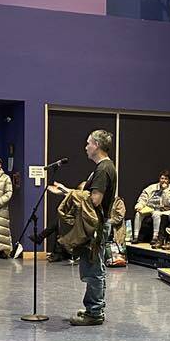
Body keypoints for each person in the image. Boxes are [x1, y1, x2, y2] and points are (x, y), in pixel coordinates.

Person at [48, 129, 116, 326]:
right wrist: (66, 191)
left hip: (96, 227)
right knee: (94, 267)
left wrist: (70, 195)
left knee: (94, 269)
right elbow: (85, 195)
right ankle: (93, 308)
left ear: (96, 145)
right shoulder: (102, 168)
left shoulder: (103, 169)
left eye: (88, 143)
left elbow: (95, 200)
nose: (85, 147)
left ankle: (94, 313)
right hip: (97, 225)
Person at [133, 171, 170, 244]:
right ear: (159, 179)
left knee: (156, 214)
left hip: (160, 209)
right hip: (148, 207)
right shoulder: (152, 187)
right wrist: (140, 205)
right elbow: (143, 197)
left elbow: (169, 203)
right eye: (162, 178)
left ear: (168, 180)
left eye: (166, 179)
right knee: (138, 214)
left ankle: (155, 237)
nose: (164, 180)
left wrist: (165, 191)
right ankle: (136, 236)